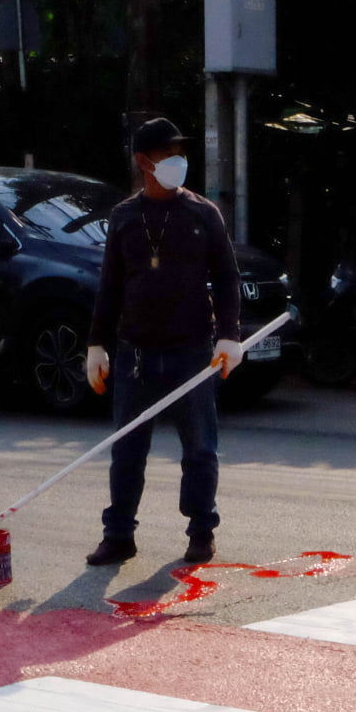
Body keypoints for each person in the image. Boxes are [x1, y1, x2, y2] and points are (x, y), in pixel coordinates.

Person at [84, 117, 243, 565]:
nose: (178, 162)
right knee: (128, 449)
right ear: (143, 162)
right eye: (167, 155)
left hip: (192, 349)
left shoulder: (202, 213)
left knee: (200, 448)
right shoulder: (124, 216)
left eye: (181, 154)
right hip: (135, 351)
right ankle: (118, 535)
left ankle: (201, 531)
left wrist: (229, 335)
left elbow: (227, 278)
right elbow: (110, 285)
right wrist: (96, 345)